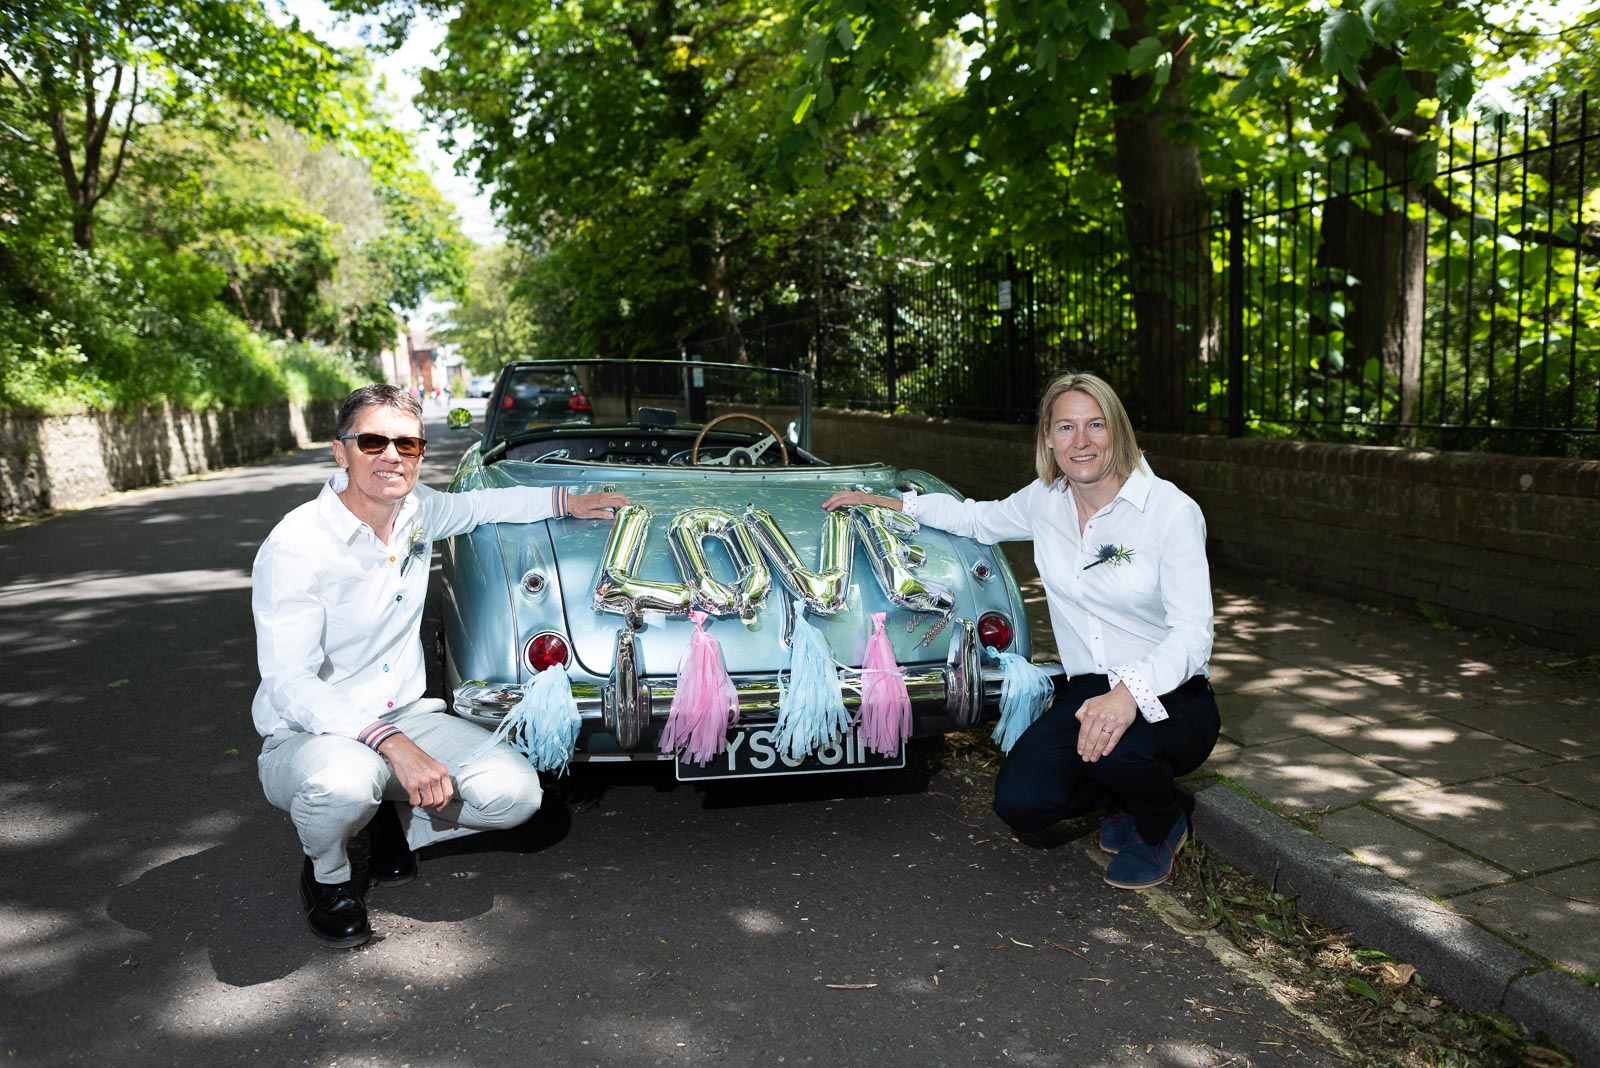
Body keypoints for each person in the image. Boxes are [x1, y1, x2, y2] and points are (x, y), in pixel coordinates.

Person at [251, 383, 629, 947]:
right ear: (341, 452)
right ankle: (330, 873)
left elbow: (482, 507)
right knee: (345, 783)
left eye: (407, 444)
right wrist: (391, 744)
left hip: (405, 713)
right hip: (310, 734)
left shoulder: (417, 511)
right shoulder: (297, 546)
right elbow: (292, 685)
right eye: (373, 441)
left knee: (516, 797)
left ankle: (391, 825)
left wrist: (565, 503)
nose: (391, 456)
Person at [823, 371, 1219, 889]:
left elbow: (1194, 634)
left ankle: (1160, 818)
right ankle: (1122, 795)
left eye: (1095, 425)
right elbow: (977, 519)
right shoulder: (1046, 500)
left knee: (1122, 748)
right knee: (1022, 804)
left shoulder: (1170, 511)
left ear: (1117, 431)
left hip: (1171, 692)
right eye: (1066, 428)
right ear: (1048, 440)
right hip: (1088, 687)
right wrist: (892, 505)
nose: (1081, 442)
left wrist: (1129, 694)